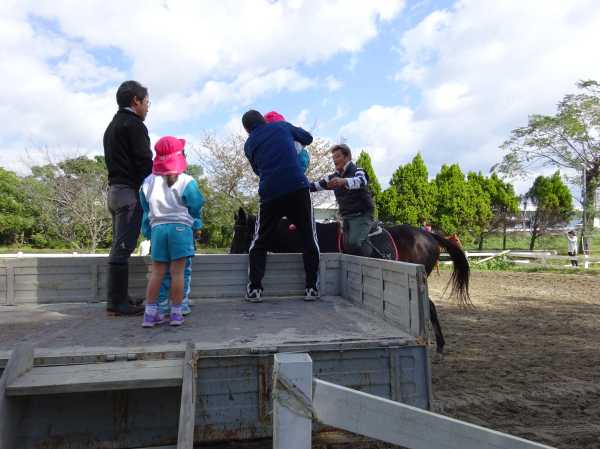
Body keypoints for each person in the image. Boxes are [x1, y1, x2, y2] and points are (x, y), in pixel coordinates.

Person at [242, 109, 320, 302]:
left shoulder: (249, 144)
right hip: (297, 187)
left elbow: (257, 170)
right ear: (263, 120)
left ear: (247, 130)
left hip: (270, 192)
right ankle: (311, 288)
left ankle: (255, 289)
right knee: (308, 237)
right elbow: (308, 138)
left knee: (260, 241)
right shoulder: (282, 127)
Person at [139, 136, 204, 327]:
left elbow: (145, 208)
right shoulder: (187, 180)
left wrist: (148, 229)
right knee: (178, 273)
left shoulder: (148, 182)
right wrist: (195, 222)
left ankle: (150, 315)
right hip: (181, 229)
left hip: (158, 230)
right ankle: (176, 313)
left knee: (157, 273)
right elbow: (196, 204)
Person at [103, 80, 152, 316]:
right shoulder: (134, 125)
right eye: (147, 102)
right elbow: (144, 162)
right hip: (128, 194)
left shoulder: (112, 125)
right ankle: (116, 303)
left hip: (114, 192)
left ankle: (120, 298)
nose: (148, 107)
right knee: (123, 248)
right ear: (136, 101)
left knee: (119, 245)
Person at [310, 144, 374, 257]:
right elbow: (315, 186)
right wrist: (298, 185)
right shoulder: (333, 177)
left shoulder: (358, 170)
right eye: (333, 158)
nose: (334, 160)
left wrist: (344, 181)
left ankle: (372, 262)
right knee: (346, 246)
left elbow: (362, 180)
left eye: (338, 156)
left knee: (354, 242)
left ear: (347, 156)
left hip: (362, 214)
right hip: (346, 217)